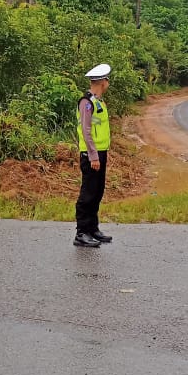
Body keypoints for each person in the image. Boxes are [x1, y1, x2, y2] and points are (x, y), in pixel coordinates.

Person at [74, 63, 113, 248]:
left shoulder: (99, 102)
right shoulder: (86, 103)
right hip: (91, 155)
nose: (108, 82)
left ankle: (92, 229)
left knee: (97, 192)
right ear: (101, 82)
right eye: (106, 79)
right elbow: (86, 131)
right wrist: (93, 156)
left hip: (101, 153)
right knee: (88, 194)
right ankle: (81, 233)